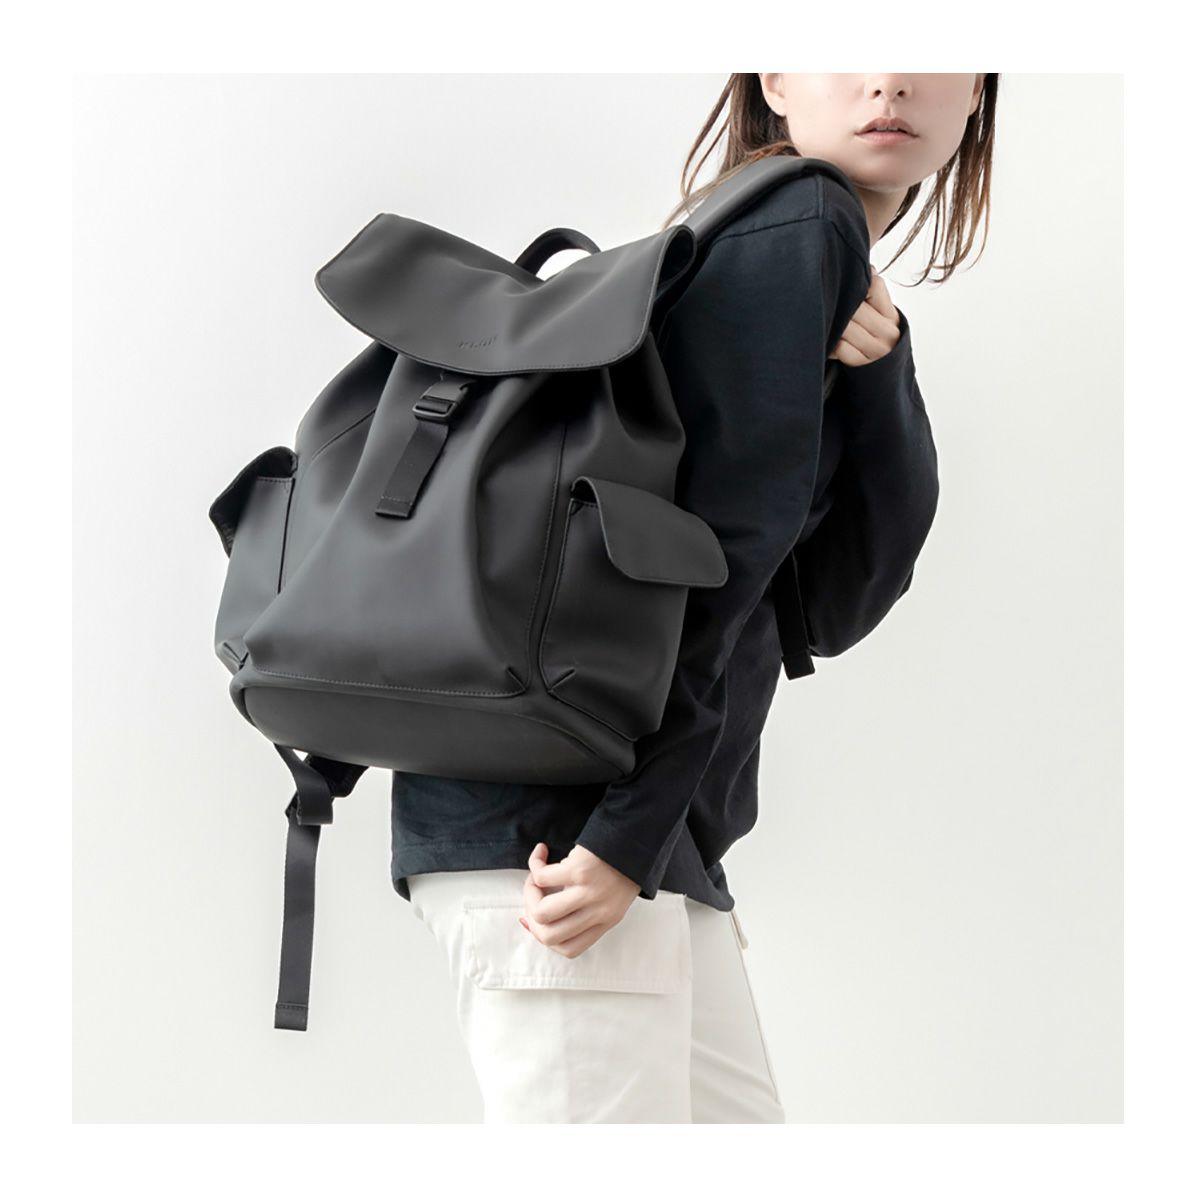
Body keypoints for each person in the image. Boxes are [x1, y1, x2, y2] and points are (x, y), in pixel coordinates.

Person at [394, 72, 997, 1123]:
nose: (890, 77)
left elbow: (832, 602)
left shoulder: (763, 233)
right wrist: (625, 836)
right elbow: (713, 569)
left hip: (632, 827)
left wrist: (882, 373)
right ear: (775, 75)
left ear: (983, 84)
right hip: (574, 830)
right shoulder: (799, 217)